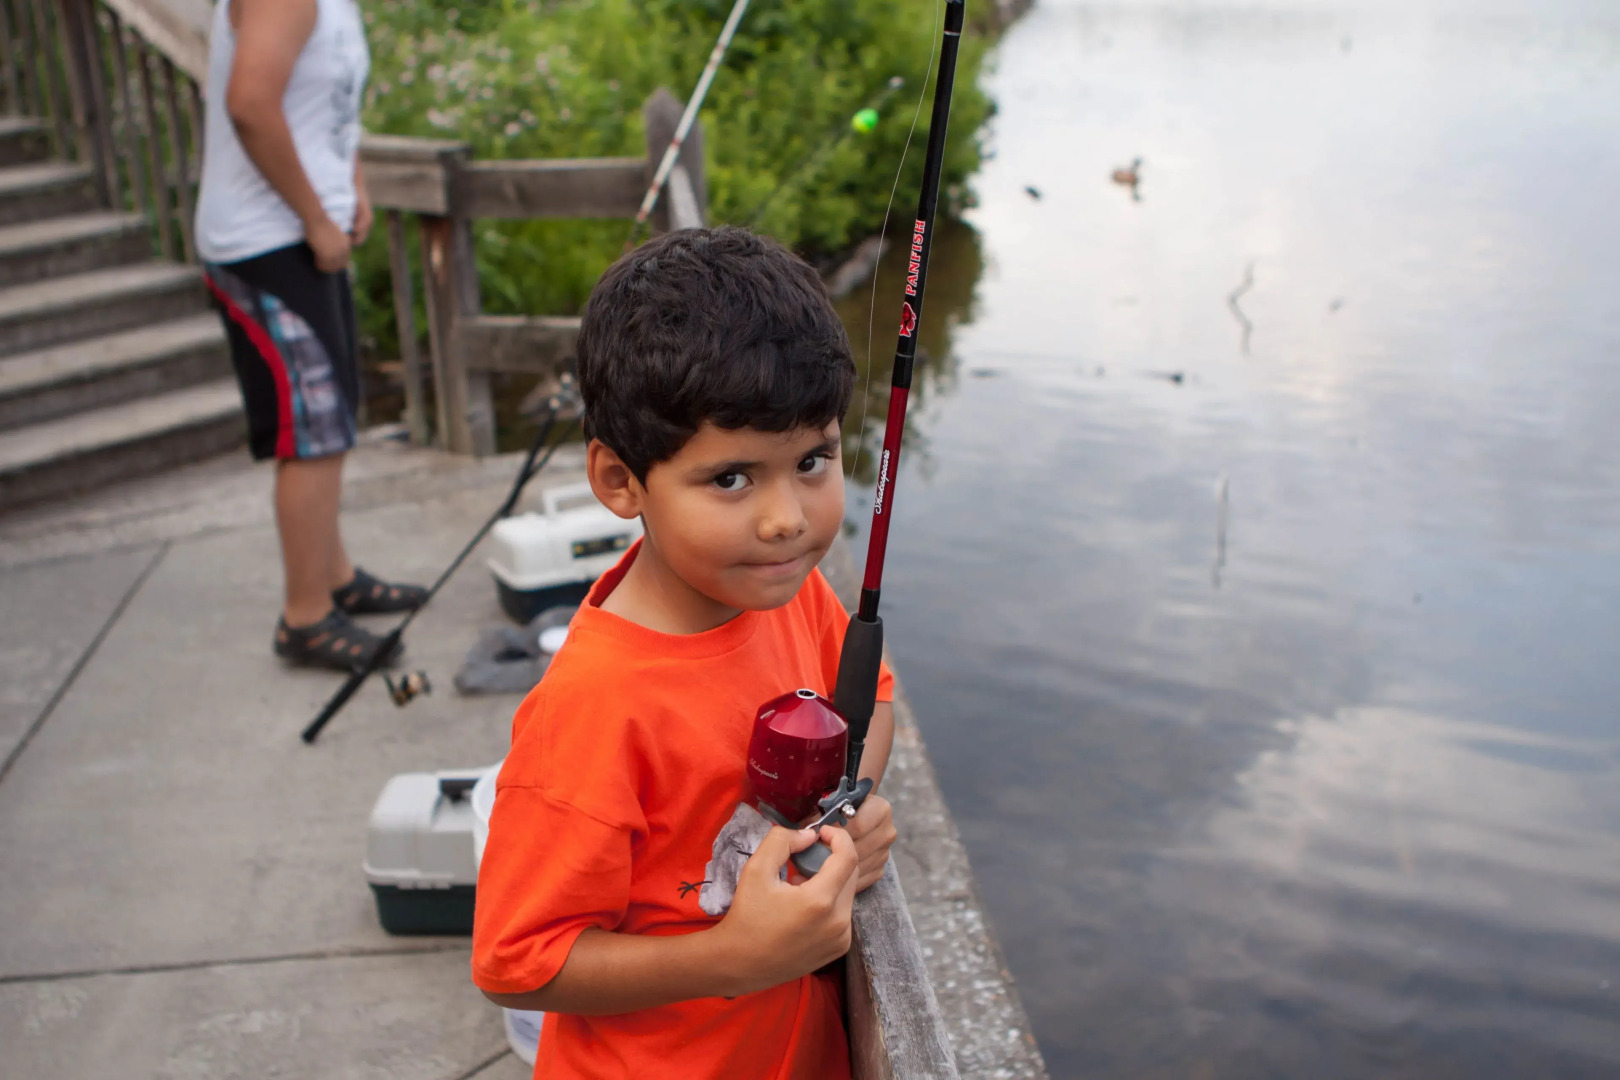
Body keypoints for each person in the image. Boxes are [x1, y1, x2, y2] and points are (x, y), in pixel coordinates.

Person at [472, 227, 901, 1079]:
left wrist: (840, 820)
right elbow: (518, 961)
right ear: (620, 481)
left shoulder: (783, 588)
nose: (787, 518)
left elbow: (873, 702)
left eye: (813, 460)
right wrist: (732, 958)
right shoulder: (594, 707)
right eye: (732, 479)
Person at [194, 0, 424, 670]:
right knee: (311, 431)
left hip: (304, 231)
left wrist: (351, 184)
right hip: (266, 241)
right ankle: (306, 616)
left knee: (334, 414)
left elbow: (326, 106)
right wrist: (316, 219)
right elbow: (249, 105)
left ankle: (335, 577)